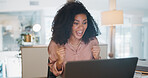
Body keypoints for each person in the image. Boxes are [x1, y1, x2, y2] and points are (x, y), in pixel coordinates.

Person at [48, 1, 101, 78]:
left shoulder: (92, 41)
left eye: (84, 23)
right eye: (76, 23)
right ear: (67, 24)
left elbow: (97, 71)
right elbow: (55, 73)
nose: (81, 28)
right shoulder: (56, 44)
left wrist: (97, 58)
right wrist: (59, 61)